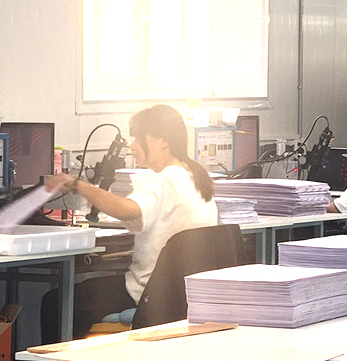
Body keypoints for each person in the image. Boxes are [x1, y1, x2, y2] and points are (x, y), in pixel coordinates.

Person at [40, 104, 218, 340]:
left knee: (55, 301)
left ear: (162, 141)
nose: (132, 146)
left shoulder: (164, 181)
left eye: (138, 138)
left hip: (148, 295)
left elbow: (127, 210)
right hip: (183, 295)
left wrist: (77, 185)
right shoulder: (194, 178)